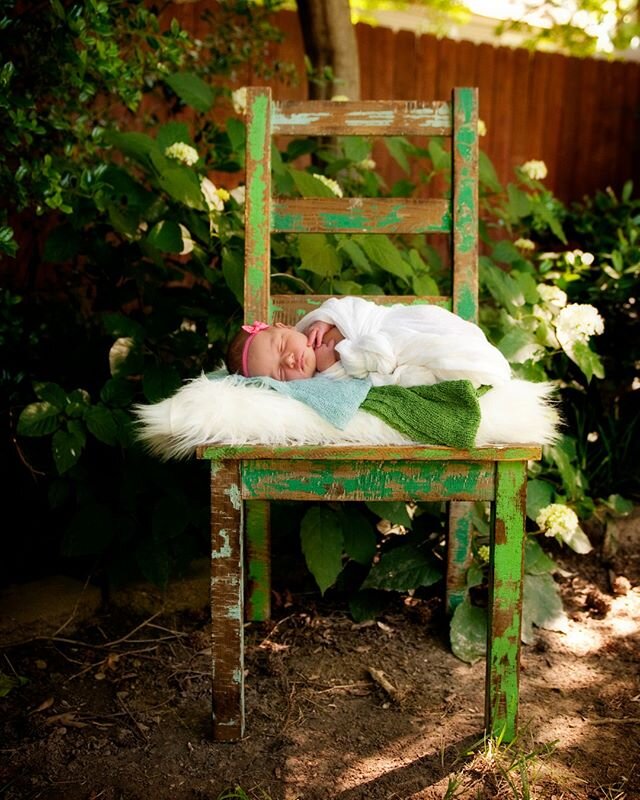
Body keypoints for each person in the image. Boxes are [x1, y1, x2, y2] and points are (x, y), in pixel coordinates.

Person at [226, 296, 511, 388]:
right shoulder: (319, 381)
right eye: (279, 372)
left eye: (281, 346)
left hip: (397, 322)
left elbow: (355, 308)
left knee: (440, 329)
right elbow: (359, 384)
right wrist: (335, 364)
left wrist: (328, 318)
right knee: (428, 365)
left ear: (285, 326)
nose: (289, 359)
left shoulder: (319, 322)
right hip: (391, 351)